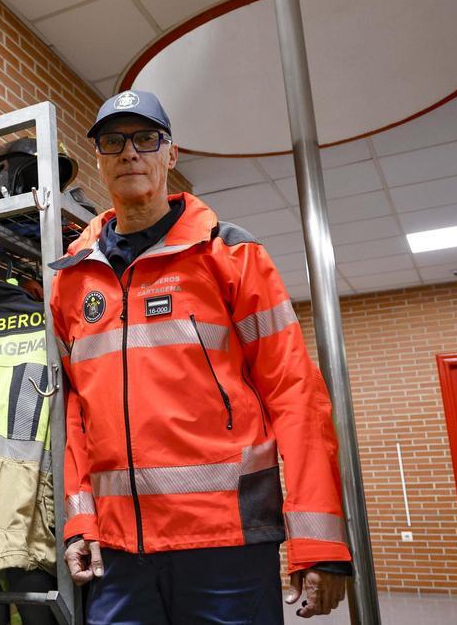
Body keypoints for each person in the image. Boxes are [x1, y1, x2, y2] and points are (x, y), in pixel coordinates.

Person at [49, 91, 353, 624]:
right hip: (119, 556)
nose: (129, 153)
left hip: (225, 543)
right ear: (98, 157)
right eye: (113, 141)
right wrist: (81, 522)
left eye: (146, 139)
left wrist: (318, 543)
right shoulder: (73, 281)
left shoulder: (231, 256)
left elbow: (295, 394)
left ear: (171, 155)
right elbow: (76, 416)